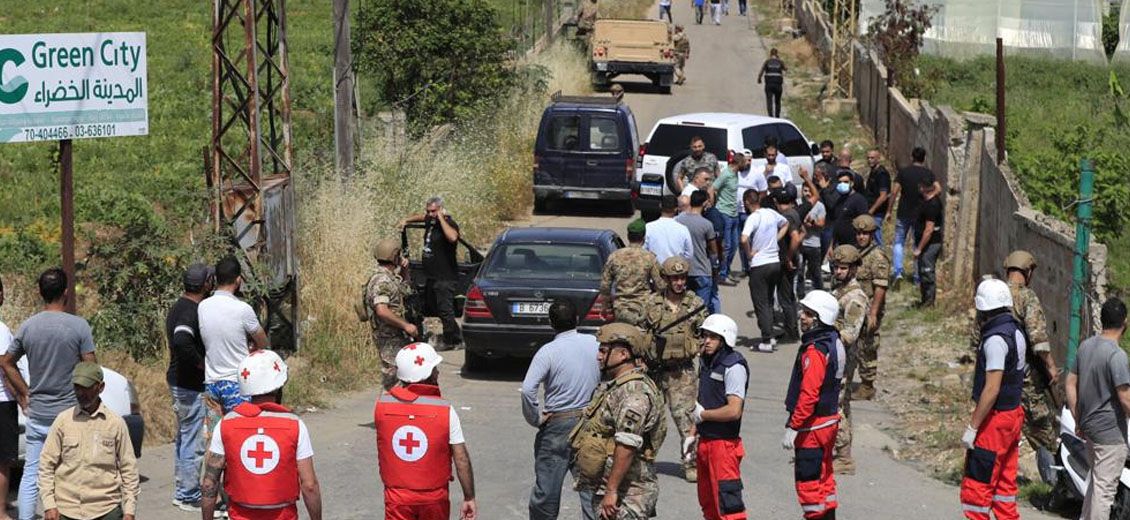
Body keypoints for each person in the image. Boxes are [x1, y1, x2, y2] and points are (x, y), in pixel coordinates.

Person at [0, 268, 98, 520]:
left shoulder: (28, 327)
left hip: (38, 414)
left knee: (32, 474)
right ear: (66, 292)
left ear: (39, 292)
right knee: (72, 473)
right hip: (70, 415)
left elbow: (7, 362)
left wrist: (25, 392)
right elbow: (91, 369)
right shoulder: (79, 326)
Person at [201, 350, 323, 520]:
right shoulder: (295, 425)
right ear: (279, 386)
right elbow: (309, 486)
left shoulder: (225, 425)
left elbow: (209, 483)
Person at [571, 323, 666, 519]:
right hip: (615, 488)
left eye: (604, 351)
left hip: (628, 493)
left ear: (623, 354)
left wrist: (611, 490)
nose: (598, 356)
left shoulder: (634, 394)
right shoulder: (618, 386)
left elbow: (627, 445)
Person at [374, 342, 476, 520]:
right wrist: (469, 497)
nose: (438, 372)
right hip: (434, 499)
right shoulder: (446, 410)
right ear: (429, 374)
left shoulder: (381, 406)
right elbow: (461, 459)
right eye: (435, 369)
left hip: (396, 498)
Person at [521, 300, 600, 520]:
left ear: (551, 323)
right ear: (577, 319)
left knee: (547, 491)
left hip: (557, 425)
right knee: (591, 488)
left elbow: (528, 389)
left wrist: (536, 418)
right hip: (590, 422)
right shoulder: (594, 344)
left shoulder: (548, 351)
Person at [960, 279, 1026, 520]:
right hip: (1012, 416)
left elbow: (991, 389)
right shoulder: (1016, 331)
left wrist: (972, 427)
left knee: (978, 489)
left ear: (982, 309)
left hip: (995, 421)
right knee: (1004, 488)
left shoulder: (995, 340)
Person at [38, 362, 138, 520]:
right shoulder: (63, 421)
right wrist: (49, 505)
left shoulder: (115, 424)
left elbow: (129, 468)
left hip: (106, 509)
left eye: (86, 387)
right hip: (66, 509)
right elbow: (46, 464)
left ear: (100, 387)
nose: (80, 393)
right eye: (77, 387)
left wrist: (129, 511)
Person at [642, 257, 707, 482]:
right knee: (651, 420)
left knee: (687, 420)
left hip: (683, 373)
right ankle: (644, 461)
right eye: (674, 278)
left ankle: (691, 463)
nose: (679, 282)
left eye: (682, 278)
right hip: (655, 372)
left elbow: (705, 335)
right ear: (665, 279)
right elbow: (640, 334)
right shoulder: (652, 303)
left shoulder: (695, 304)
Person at [782, 291, 844, 520]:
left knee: (808, 483)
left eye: (808, 314)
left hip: (813, 427)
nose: (802, 316)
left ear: (821, 319)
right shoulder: (833, 340)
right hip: (828, 422)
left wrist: (794, 425)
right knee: (824, 480)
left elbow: (809, 394)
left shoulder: (816, 349)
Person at [1066, 297, 1128, 520]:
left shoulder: (1086, 346)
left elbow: (1070, 382)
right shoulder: (1117, 355)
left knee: (1095, 484)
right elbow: (1125, 398)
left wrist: (1077, 417)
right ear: (1125, 322)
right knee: (1104, 492)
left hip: (1090, 430)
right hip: (1110, 436)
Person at [997, 251, 1059, 463]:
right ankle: (1055, 473)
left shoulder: (994, 293)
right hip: (1024, 376)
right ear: (1028, 272)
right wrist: (1050, 366)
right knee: (1041, 428)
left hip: (995, 373)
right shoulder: (1027, 297)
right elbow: (1038, 340)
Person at [165, 263, 214, 512]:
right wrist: (201, 364)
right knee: (193, 442)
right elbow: (182, 340)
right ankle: (188, 494)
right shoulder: (189, 311)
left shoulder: (181, 306)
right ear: (205, 284)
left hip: (181, 382)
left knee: (185, 438)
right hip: (188, 385)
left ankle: (182, 491)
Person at [690, 314, 748, 520]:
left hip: (724, 446)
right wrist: (692, 434)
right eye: (705, 335)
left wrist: (703, 415)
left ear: (725, 339)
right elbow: (702, 401)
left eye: (713, 337)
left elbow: (734, 410)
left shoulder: (734, 367)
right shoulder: (707, 363)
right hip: (705, 442)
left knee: (729, 507)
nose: (707, 341)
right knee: (708, 503)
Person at [199, 257, 269, 415]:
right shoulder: (243, 309)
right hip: (236, 383)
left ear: (216, 279)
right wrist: (253, 348)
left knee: (215, 430)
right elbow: (263, 341)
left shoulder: (202, 307)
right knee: (240, 428)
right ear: (238, 280)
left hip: (211, 384)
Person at [399, 196, 464, 350]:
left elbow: (453, 237)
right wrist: (407, 220)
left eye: (433, 211)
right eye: (428, 211)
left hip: (445, 276)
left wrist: (441, 218)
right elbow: (422, 217)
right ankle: (455, 335)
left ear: (441, 209)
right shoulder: (430, 220)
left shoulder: (448, 223)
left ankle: (452, 341)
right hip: (432, 276)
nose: (430, 214)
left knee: (445, 310)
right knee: (432, 307)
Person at [829, 245, 867, 475]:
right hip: (835, 354)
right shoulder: (839, 290)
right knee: (840, 402)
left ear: (853, 269)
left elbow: (850, 334)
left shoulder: (855, 298)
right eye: (836, 267)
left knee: (836, 404)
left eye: (843, 268)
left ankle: (844, 458)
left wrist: (826, 335)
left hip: (843, 356)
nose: (838, 272)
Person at [363, 239, 419, 390]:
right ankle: (390, 403)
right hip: (388, 338)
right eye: (398, 255)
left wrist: (405, 272)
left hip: (397, 337)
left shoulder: (390, 278)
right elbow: (381, 310)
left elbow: (405, 291)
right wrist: (406, 325)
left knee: (403, 378)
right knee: (393, 381)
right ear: (393, 257)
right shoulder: (382, 281)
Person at [740, 190, 788, 353]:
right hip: (774, 262)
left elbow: (744, 238)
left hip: (760, 264)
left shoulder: (753, 217)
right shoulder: (771, 213)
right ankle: (770, 335)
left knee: (760, 303)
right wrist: (775, 240)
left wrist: (749, 254)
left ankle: (766, 339)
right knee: (768, 301)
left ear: (747, 202)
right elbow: (785, 224)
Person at [851, 215, 889, 401]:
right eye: (858, 233)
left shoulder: (877, 257)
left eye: (865, 233)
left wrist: (873, 313)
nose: (861, 237)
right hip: (854, 307)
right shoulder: (854, 253)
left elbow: (880, 286)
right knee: (851, 345)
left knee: (867, 345)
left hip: (869, 308)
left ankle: (867, 385)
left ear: (872, 234)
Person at [600, 219, 665, 327]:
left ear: (628, 236)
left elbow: (605, 285)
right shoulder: (649, 258)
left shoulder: (615, 256)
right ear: (643, 238)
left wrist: (605, 306)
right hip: (643, 308)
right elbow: (660, 285)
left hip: (621, 308)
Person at [887, 146, 938, 284]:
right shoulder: (928, 173)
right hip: (920, 215)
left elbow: (894, 192)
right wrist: (929, 197)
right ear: (924, 158)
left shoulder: (904, 172)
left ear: (911, 157)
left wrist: (889, 210)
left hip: (903, 212)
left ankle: (898, 271)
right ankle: (917, 276)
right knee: (917, 244)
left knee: (899, 241)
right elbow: (938, 189)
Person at [676, 191, 721, 314]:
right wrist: (716, 266)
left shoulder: (678, 220)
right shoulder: (707, 224)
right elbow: (713, 251)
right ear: (704, 203)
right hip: (702, 270)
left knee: (682, 307)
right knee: (701, 310)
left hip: (683, 270)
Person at [774, 186, 805, 343]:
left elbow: (795, 237)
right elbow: (803, 231)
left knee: (785, 298)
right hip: (793, 258)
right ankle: (791, 329)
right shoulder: (794, 213)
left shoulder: (786, 217)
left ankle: (791, 333)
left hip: (787, 262)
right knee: (789, 297)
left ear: (776, 202)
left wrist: (788, 257)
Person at [912, 179, 943, 306]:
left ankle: (929, 302)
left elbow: (929, 230)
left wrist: (919, 248)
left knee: (927, 271)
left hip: (930, 244)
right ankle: (925, 300)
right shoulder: (927, 200)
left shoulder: (932, 205)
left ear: (923, 188)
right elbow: (939, 188)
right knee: (922, 271)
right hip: (926, 243)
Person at [712, 154, 741, 285]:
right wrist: (713, 205)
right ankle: (722, 274)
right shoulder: (726, 174)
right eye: (744, 162)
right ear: (738, 163)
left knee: (734, 245)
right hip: (724, 213)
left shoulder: (735, 174)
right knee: (726, 246)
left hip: (734, 214)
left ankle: (727, 270)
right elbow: (712, 188)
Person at [0, 276, 14, 520]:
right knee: (3, 460)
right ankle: (1, 510)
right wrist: (22, 394)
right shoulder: (1, 329)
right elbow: (5, 364)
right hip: (2, 400)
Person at [644, 195, 693, 264]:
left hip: (655, 268)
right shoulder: (683, 229)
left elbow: (644, 250)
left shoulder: (648, 227)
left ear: (660, 206)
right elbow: (689, 255)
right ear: (676, 209)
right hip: (676, 268)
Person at [797, 182, 826, 297]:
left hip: (814, 244)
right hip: (800, 244)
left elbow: (822, 224)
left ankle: (820, 295)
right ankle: (800, 296)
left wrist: (812, 223)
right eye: (805, 191)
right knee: (799, 272)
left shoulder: (819, 206)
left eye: (810, 191)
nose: (808, 193)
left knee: (816, 273)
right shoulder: (798, 204)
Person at [862, 149, 890, 246]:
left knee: (877, 236)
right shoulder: (873, 171)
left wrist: (872, 210)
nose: (870, 160)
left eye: (872, 158)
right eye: (868, 158)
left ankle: (882, 254)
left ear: (878, 159)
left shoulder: (882, 174)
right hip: (871, 209)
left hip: (877, 212)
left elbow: (883, 196)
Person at [757, 48, 787, 118]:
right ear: (777, 54)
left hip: (769, 84)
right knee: (777, 101)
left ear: (770, 54)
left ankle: (770, 116)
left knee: (769, 101)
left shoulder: (767, 61)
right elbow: (786, 68)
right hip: (778, 84)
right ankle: (777, 116)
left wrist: (759, 79)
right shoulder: (780, 61)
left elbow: (761, 71)